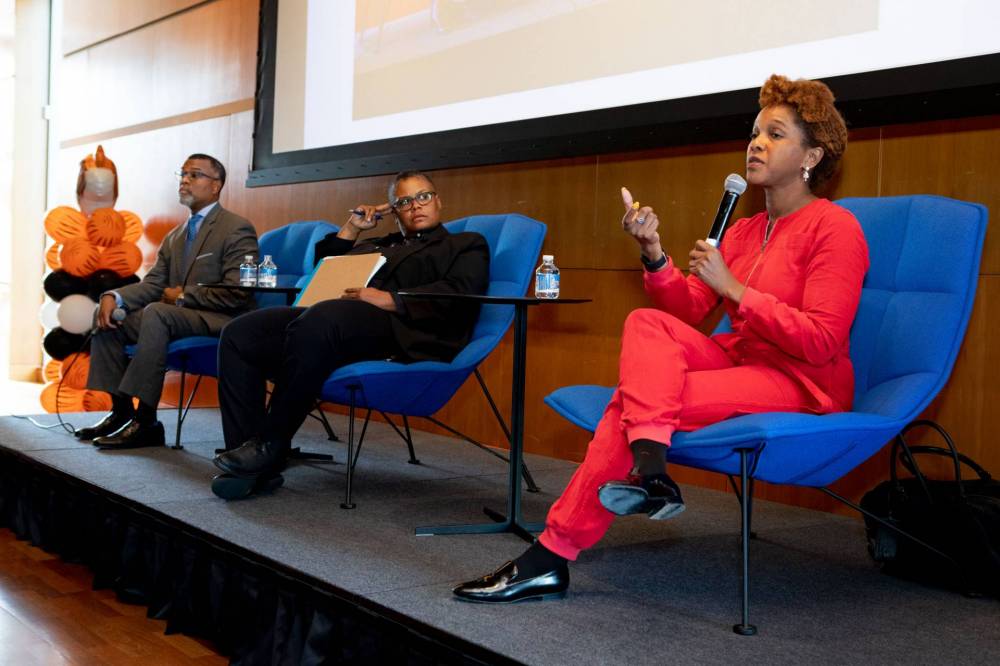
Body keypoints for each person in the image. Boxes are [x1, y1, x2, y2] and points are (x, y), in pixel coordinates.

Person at [453, 74, 870, 603]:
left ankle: (553, 553)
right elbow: (690, 309)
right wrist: (653, 252)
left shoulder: (835, 229)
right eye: (754, 133)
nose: (756, 144)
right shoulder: (743, 231)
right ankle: (650, 470)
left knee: (630, 402)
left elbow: (821, 340)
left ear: (812, 157)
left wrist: (736, 290)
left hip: (801, 380)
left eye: (775, 135)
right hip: (740, 360)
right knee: (645, 324)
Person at [211, 170, 490, 498]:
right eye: (404, 201)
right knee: (241, 332)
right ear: (392, 210)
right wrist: (352, 229)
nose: (416, 206)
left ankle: (271, 443)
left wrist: (389, 299)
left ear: (438, 201)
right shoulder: (378, 244)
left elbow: (462, 291)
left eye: (424, 197)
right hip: (332, 326)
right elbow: (324, 267)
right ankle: (249, 457)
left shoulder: (464, 244)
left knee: (325, 317)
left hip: (403, 331)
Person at [75, 154, 259, 449]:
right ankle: (121, 411)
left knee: (157, 312)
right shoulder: (175, 236)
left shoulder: (236, 227)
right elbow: (153, 285)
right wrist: (113, 296)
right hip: (177, 317)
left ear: (216, 186)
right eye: (183, 174)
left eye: (195, 175)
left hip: (223, 320)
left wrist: (185, 296)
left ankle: (146, 421)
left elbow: (239, 291)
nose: (185, 180)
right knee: (112, 317)